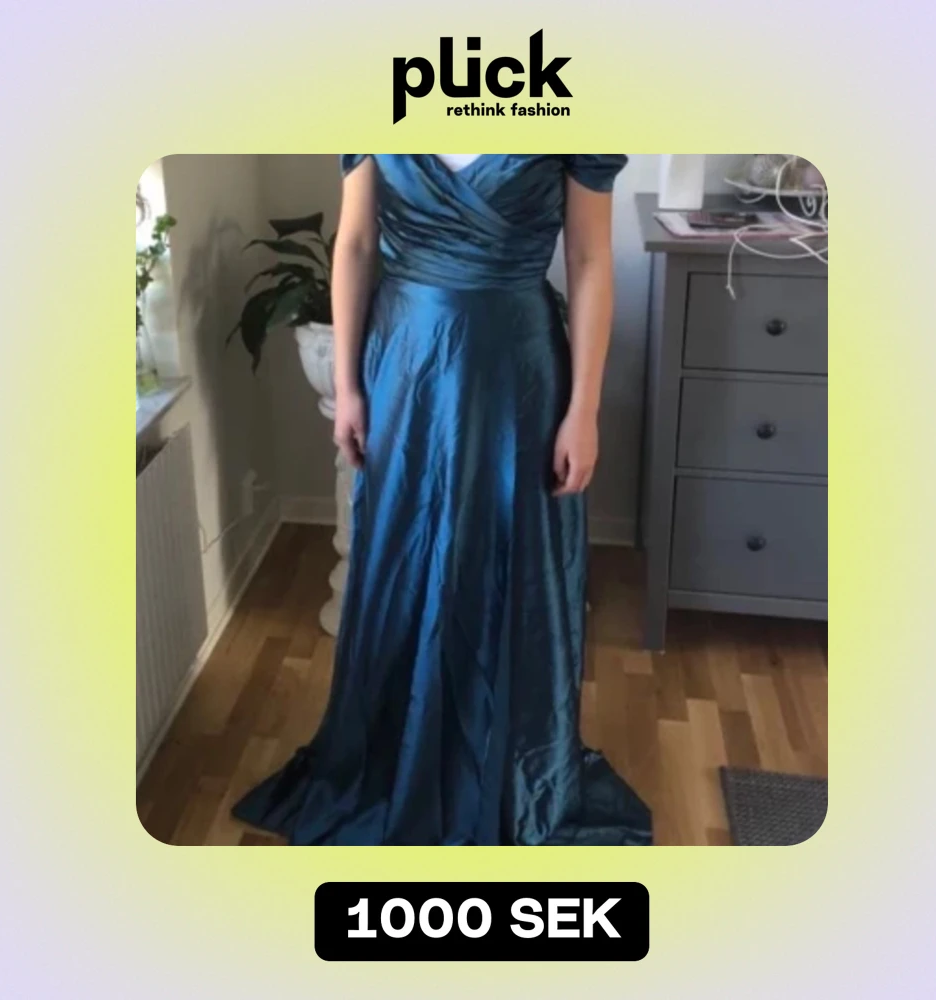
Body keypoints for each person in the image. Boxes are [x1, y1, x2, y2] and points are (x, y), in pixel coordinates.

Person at [232, 154, 653, 845]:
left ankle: (509, 769)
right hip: (407, 365)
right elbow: (356, 243)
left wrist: (584, 409)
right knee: (405, 557)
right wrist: (348, 386)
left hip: (516, 372)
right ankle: (395, 759)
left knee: (506, 566)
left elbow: (588, 258)